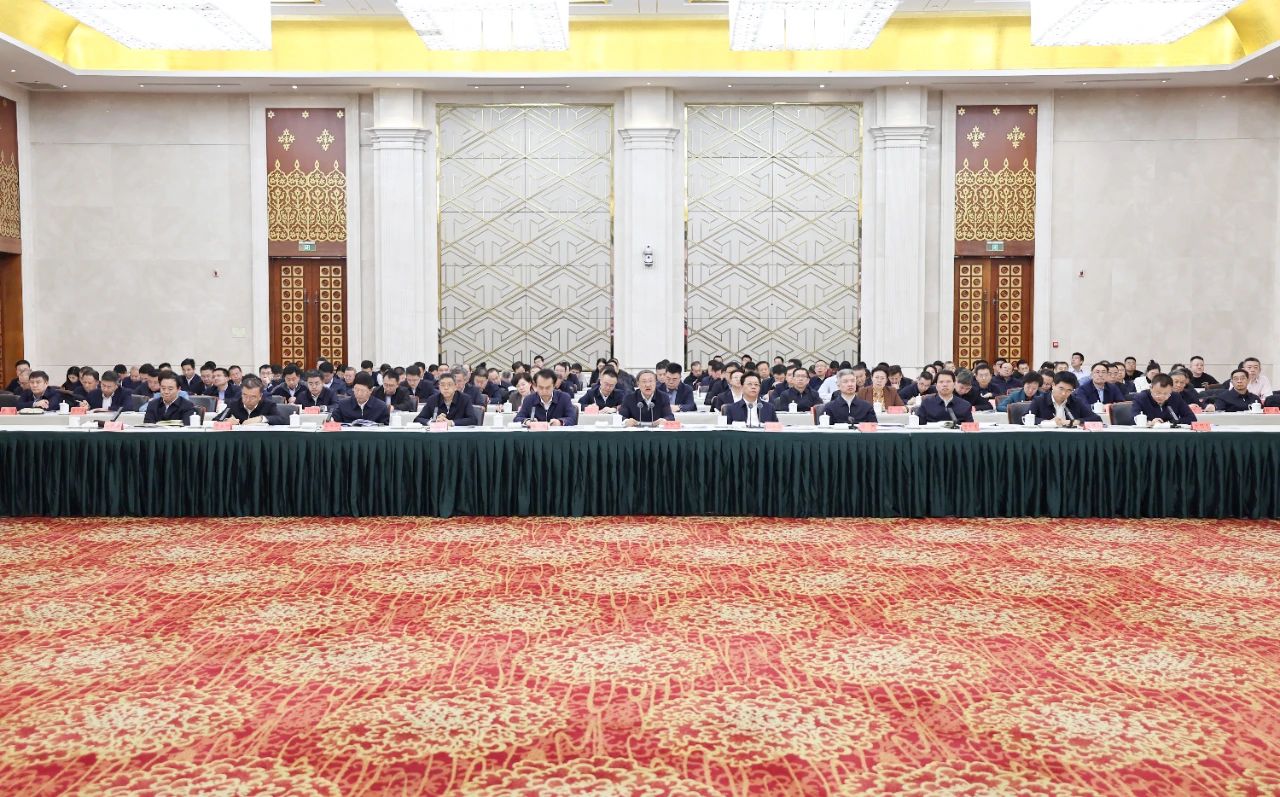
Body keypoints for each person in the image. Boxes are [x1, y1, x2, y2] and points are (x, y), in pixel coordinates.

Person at [1028, 372, 1100, 427]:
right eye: (1061, 389)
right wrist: (1047, 422)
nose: (1064, 393)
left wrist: (1075, 422)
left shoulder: (1076, 402)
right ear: (1053, 385)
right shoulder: (1039, 400)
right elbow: (1026, 418)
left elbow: (1096, 419)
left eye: (1069, 390)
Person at [1130, 374, 1197, 426]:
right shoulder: (1141, 398)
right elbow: (1133, 419)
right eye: (1157, 393)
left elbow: (1191, 418)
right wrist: (1149, 422)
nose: (1161, 397)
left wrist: (1169, 423)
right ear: (1150, 388)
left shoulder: (1176, 397)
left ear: (1171, 390)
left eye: (1165, 394)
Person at [223, 376, 288, 425]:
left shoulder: (269, 405)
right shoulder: (233, 404)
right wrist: (226, 421)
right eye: (245, 395)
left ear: (260, 396)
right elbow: (219, 419)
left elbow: (281, 420)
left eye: (252, 397)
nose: (247, 400)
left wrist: (261, 418)